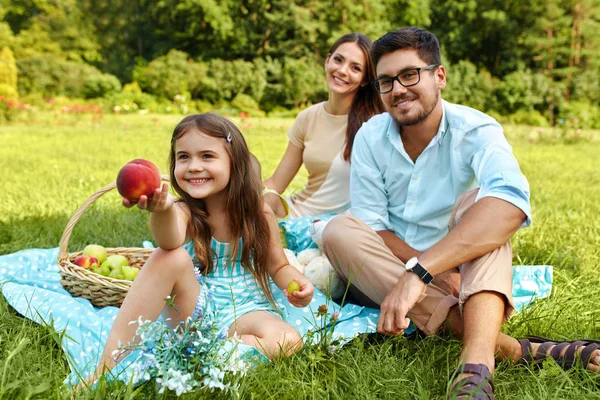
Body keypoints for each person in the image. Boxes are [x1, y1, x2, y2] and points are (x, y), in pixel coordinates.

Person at [321, 27, 600, 399]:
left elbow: (510, 203)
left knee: (485, 207)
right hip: (387, 266)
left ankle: (475, 363)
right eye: (385, 82)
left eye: (409, 75)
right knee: (338, 231)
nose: (397, 89)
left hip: (461, 265)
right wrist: (424, 272)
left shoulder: (476, 129)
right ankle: (513, 349)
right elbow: (375, 228)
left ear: (439, 76)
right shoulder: (371, 136)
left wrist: (426, 270)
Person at [93, 113, 314, 380]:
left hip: (245, 308)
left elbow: (277, 265)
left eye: (207, 156)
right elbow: (169, 238)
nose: (194, 166)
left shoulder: (258, 213)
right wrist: (162, 210)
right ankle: (106, 367)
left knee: (288, 339)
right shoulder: (185, 210)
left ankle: (200, 356)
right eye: (183, 157)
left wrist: (297, 281)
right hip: (193, 311)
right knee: (168, 257)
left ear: (235, 163)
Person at [263, 32, 385, 219]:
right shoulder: (308, 117)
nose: (343, 71)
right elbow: (275, 184)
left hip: (340, 227)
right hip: (296, 215)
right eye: (338, 60)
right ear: (327, 61)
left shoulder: (375, 124)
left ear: (365, 79)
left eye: (355, 68)